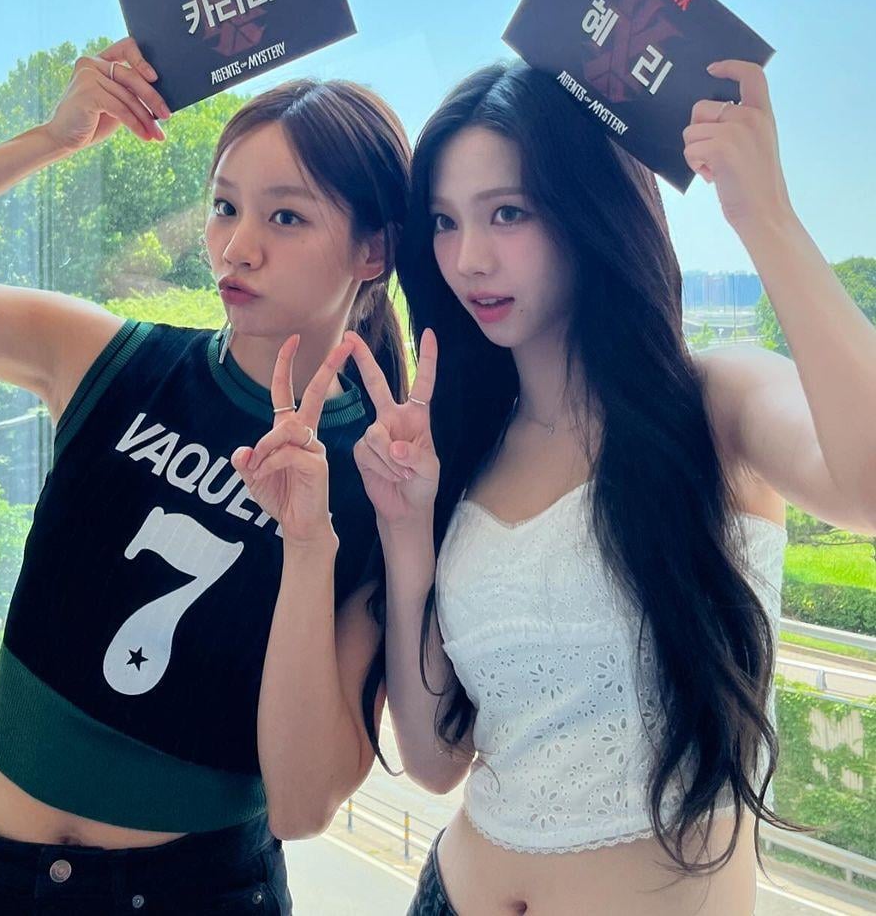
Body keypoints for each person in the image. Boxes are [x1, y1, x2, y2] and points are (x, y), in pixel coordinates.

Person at [0, 36, 412, 915]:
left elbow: (304, 804)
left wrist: (309, 545)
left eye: (286, 217)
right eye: (224, 206)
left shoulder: (382, 475)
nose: (237, 247)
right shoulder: (114, 361)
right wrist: (48, 141)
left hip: (197, 895)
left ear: (373, 251)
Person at [343, 59, 876, 916]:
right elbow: (437, 762)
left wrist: (764, 214)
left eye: (508, 212)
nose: (469, 258)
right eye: (444, 222)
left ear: (588, 210)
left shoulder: (714, 402)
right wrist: (407, 532)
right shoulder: (469, 450)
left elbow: (868, 487)